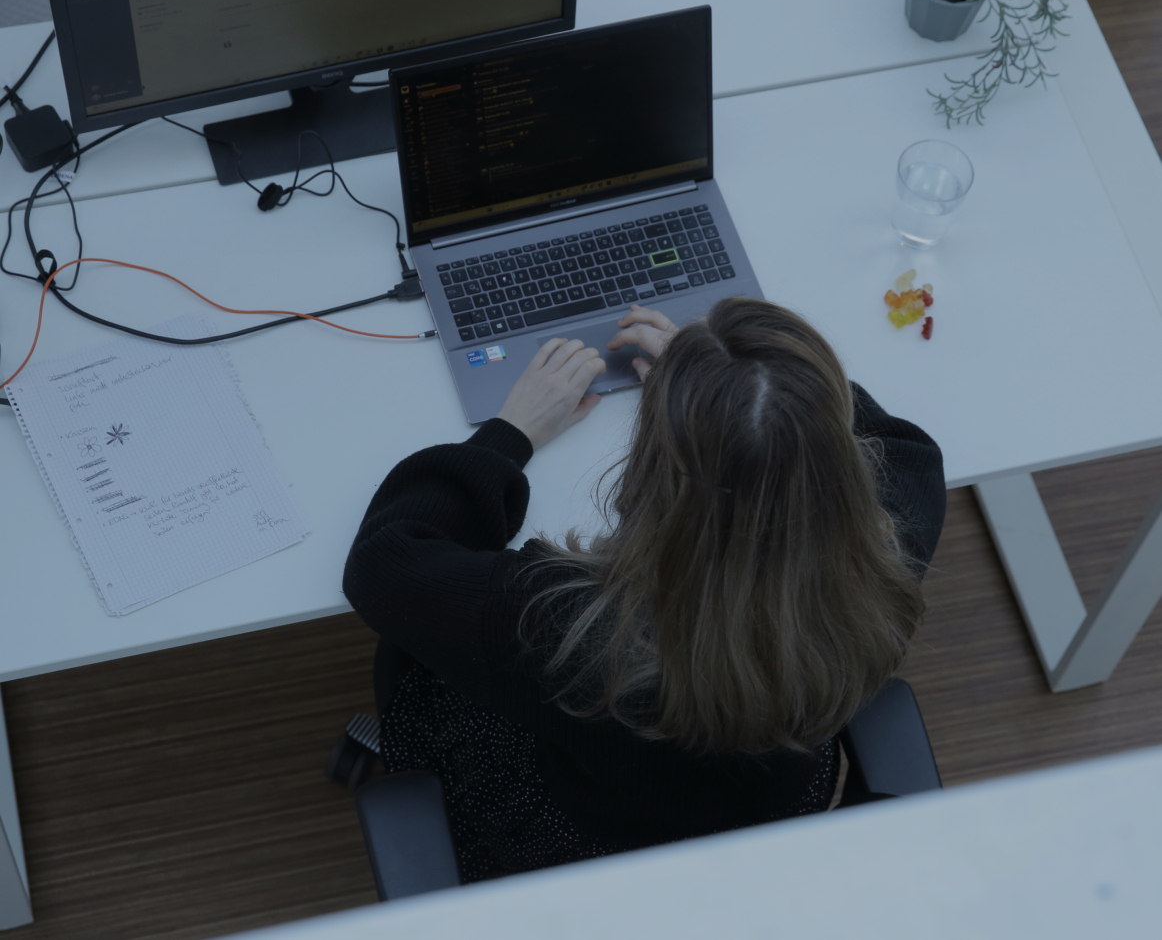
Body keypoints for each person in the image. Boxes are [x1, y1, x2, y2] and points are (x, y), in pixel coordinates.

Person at [343, 298, 945, 882]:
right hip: (768, 814)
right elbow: (907, 451)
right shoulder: (886, 562)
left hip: (572, 834)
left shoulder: (559, 622)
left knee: (416, 657)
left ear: (656, 466)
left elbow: (383, 562)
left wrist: (511, 433)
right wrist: (755, 394)